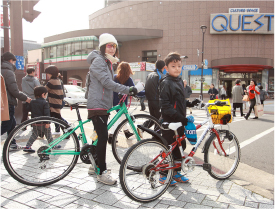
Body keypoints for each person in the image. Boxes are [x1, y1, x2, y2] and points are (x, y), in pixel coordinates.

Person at [86, 33, 137, 185]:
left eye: (114, 46)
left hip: (102, 104)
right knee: (102, 138)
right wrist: (128, 90)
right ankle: (102, 172)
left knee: (98, 135)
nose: (112, 48)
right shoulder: (99, 61)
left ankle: (92, 165)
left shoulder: (107, 62)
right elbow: (107, 83)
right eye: (109, 45)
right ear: (102, 47)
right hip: (97, 104)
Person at [159, 52, 200, 186]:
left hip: (179, 121)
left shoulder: (178, 81)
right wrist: (180, 118)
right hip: (170, 123)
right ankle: (163, 175)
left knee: (180, 146)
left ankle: (175, 172)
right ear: (166, 68)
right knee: (169, 148)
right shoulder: (166, 82)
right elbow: (165, 106)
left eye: (179, 66)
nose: (177, 68)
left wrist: (190, 103)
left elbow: (179, 101)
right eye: (173, 66)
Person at [1, 52, 31, 150]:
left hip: (3, 102)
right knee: (8, 124)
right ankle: (12, 144)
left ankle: (12, 144)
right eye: (14, 61)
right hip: (7, 102)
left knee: (12, 123)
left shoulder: (2, 70)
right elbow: (13, 90)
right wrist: (25, 98)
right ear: (11, 60)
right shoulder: (8, 72)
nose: (14, 63)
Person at [23, 86, 61, 152]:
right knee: (48, 135)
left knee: (34, 135)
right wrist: (48, 122)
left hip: (35, 123)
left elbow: (28, 109)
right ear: (43, 94)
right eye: (46, 94)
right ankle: (53, 145)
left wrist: (27, 102)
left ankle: (28, 146)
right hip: (44, 123)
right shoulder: (45, 103)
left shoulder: (32, 102)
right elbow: (47, 114)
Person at [108, 61, 135, 144]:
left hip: (114, 100)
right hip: (122, 102)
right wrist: (144, 92)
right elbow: (133, 89)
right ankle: (111, 136)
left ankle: (126, 132)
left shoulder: (115, 77)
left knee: (123, 117)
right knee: (119, 119)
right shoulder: (128, 79)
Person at [45, 65, 65, 133]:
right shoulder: (58, 80)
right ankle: (67, 130)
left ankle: (68, 129)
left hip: (53, 103)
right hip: (58, 102)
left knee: (52, 118)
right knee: (57, 118)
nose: (47, 75)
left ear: (51, 73)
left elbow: (44, 90)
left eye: (48, 73)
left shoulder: (51, 81)